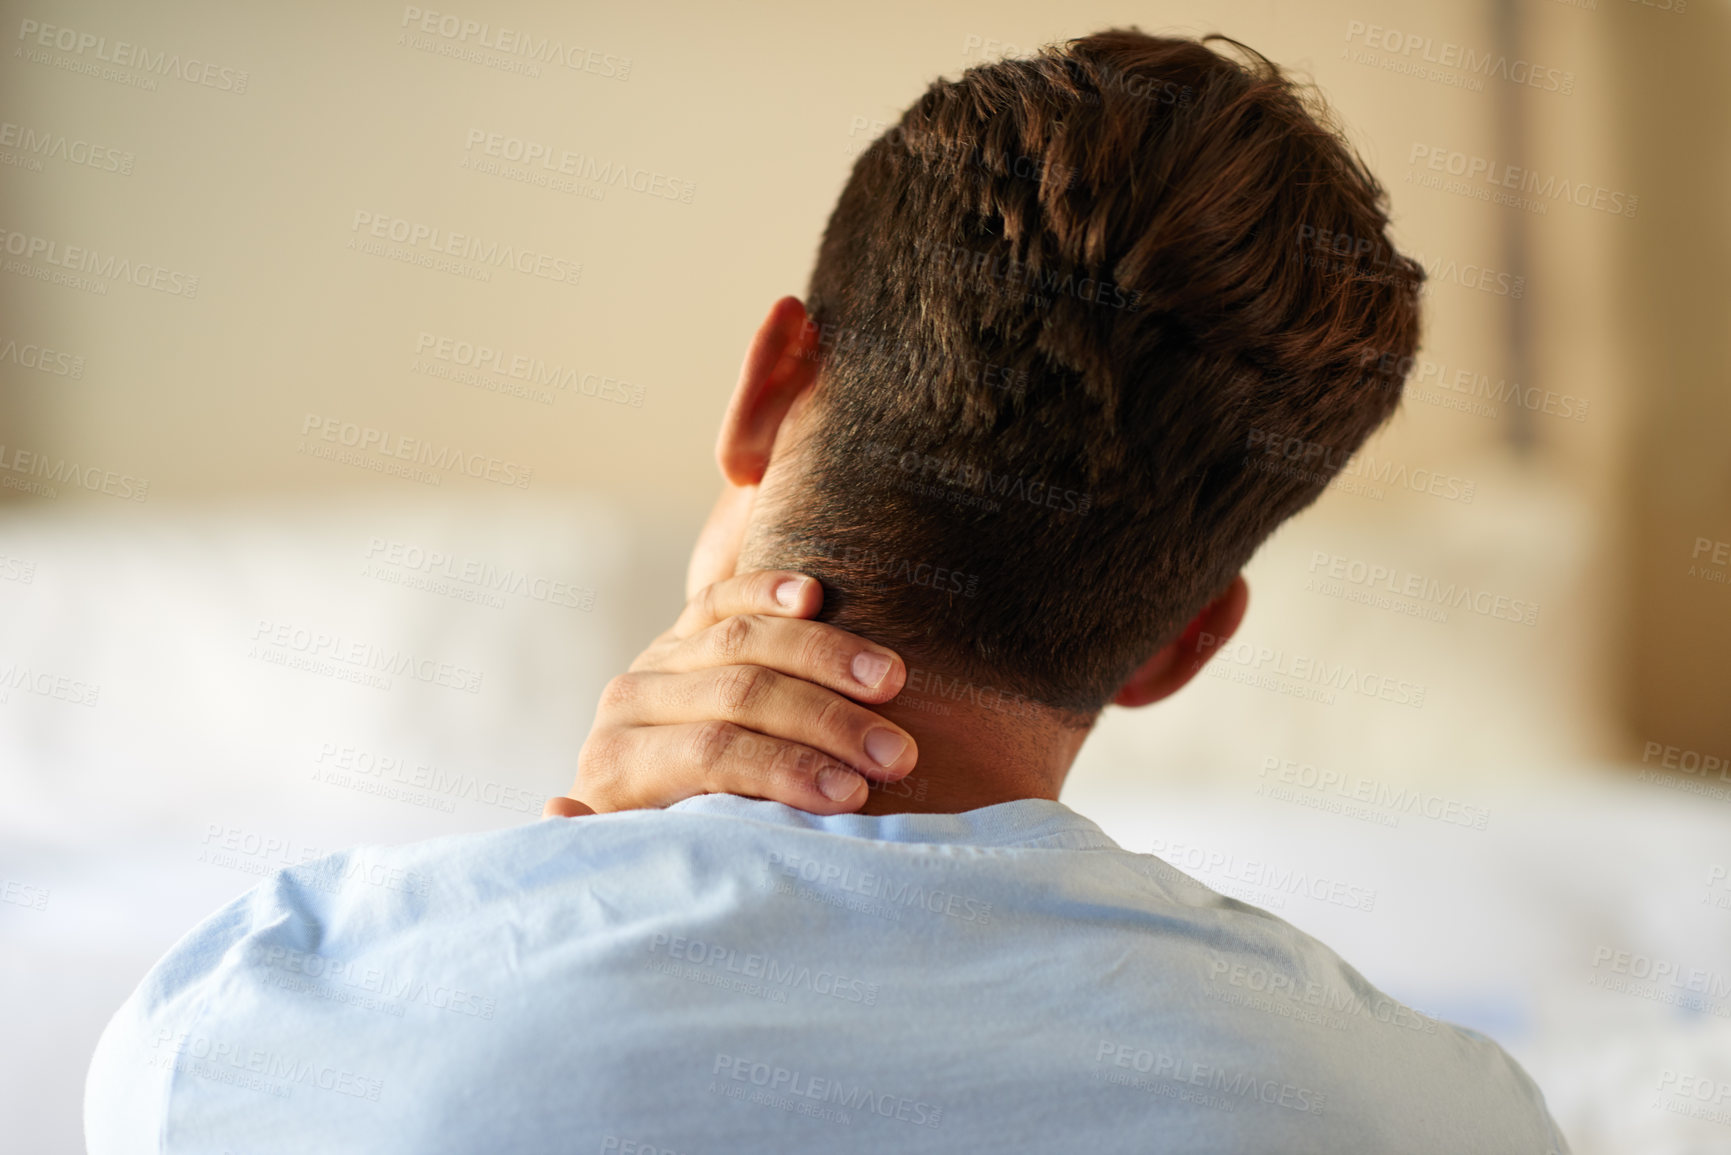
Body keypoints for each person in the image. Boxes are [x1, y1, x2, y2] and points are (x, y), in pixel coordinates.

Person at [86, 29, 1570, 1153]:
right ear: (1187, 641)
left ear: (769, 380)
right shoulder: (1445, 1117)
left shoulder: (258, 1020)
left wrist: (579, 872)